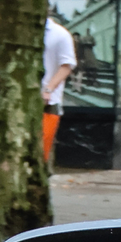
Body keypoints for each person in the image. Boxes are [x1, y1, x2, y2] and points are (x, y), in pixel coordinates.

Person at [42, 14, 77, 160]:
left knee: (41, 150)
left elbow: (66, 66)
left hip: (48, 102)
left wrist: (48, 89)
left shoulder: (60, 34)